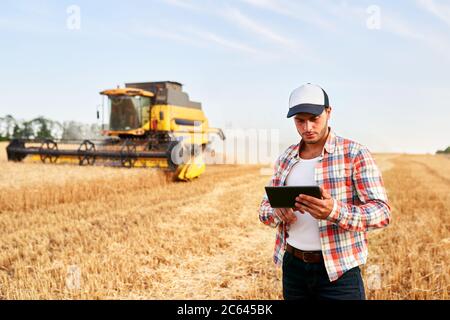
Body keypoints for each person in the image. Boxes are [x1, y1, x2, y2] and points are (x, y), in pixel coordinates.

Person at [258, 83, 391, 300]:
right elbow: (264, 208)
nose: (307, 127)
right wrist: (277, 211)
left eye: (314, 118)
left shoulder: (355, 153)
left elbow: (382, 213)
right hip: (293, 269)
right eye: (300, 120)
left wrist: (334, 211)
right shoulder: (286, 157)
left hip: (339, 272)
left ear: (328, 113)